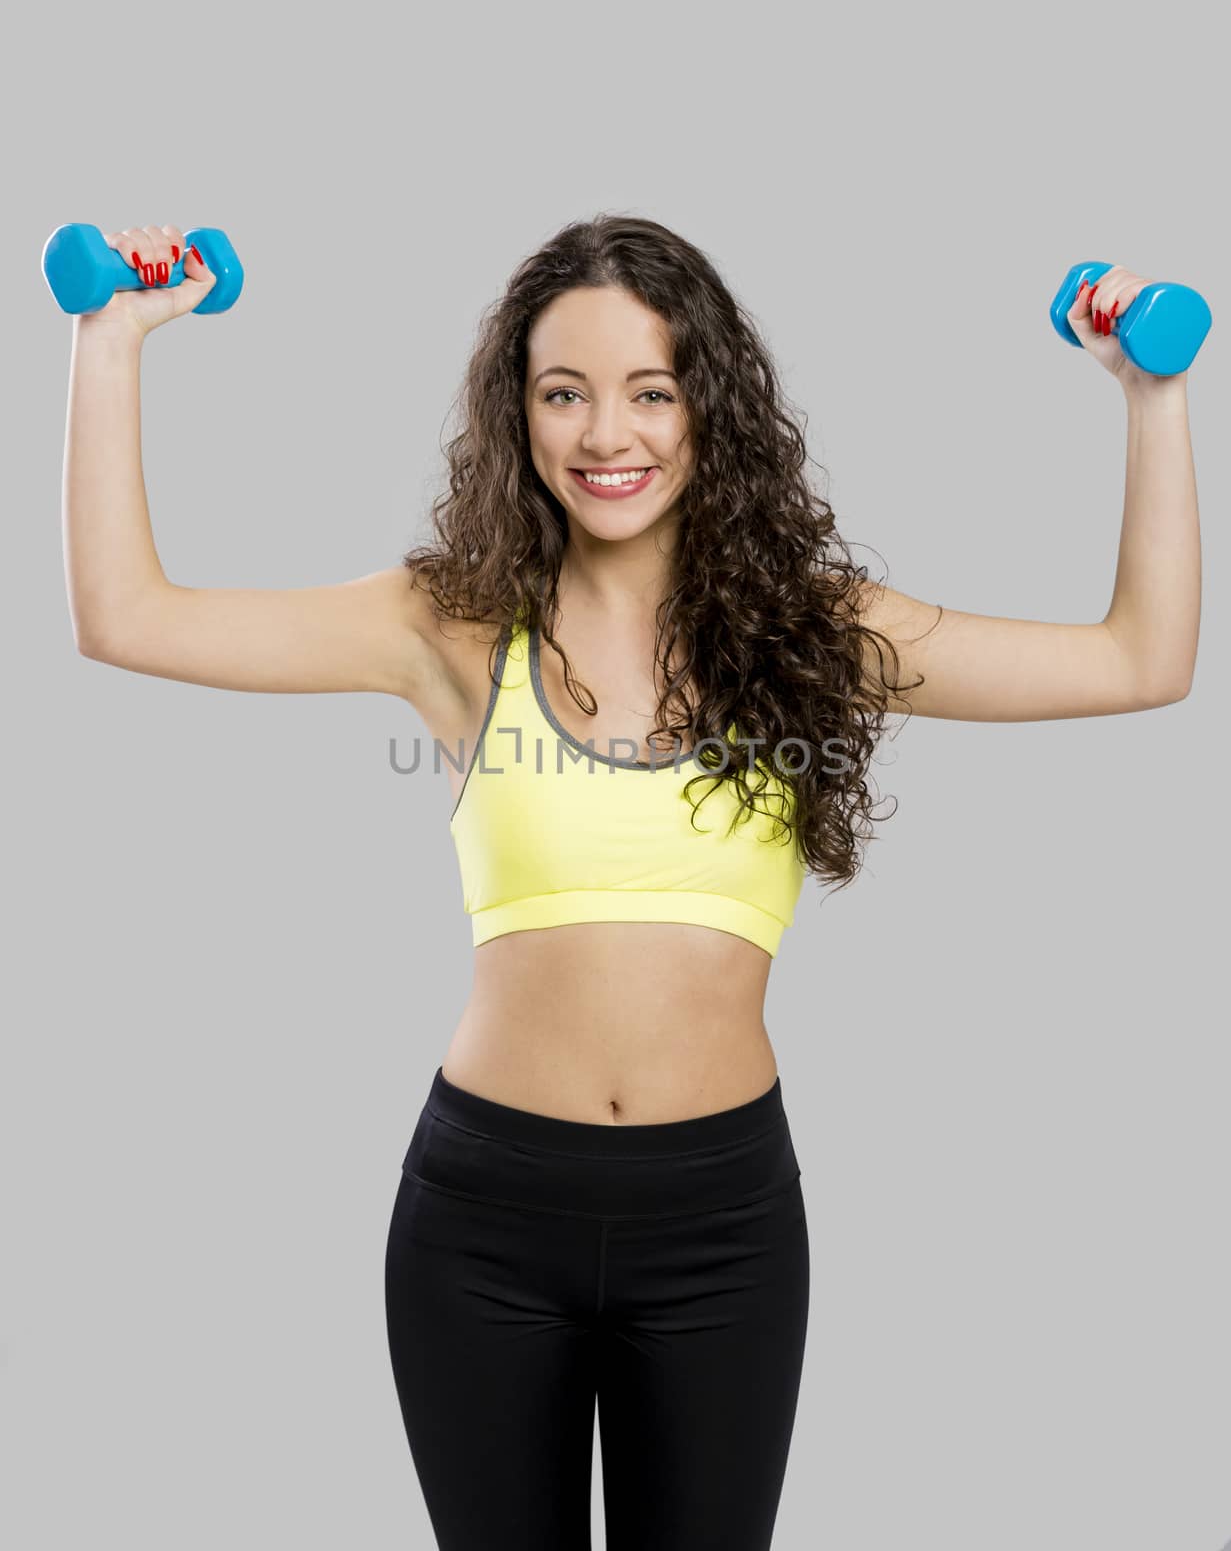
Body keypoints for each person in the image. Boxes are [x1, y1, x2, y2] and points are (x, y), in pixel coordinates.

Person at [62, 214, 1200, 1550]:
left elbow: (1142, 661)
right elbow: (125, 615)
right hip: (482, 1221)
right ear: (521, 414)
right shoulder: (445, 622)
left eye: (651, 391)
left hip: (720, 1226)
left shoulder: (816, 634)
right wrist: (113, 337)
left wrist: (1153, 395)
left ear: (707, 407)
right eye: (566, 392)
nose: (609, 434)